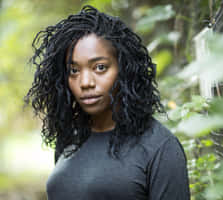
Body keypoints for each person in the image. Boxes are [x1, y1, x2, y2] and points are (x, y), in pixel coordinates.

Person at [25, 5, 190, 200]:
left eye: (100, 67)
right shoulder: (70, 138)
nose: (85, 82)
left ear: (124, 70)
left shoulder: (160, 147)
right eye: (74, 70)